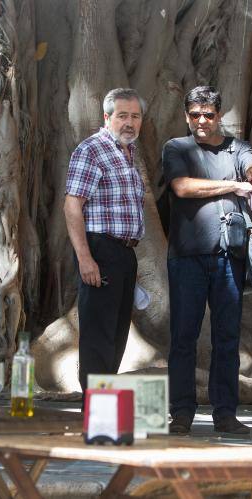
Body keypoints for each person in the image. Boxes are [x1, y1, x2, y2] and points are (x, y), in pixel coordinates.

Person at [162, 86, 252, 435]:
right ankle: (181, 412)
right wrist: (232, 187)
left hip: (229, 258)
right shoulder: (176, 148)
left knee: (227, 338)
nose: (202, 121)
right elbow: (181, 187)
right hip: (187, 257)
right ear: (186, 116)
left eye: (208, 114)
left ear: (219, 115)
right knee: (183, 338)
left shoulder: (236, 147)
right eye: (195, 115)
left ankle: (225, 413)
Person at [64, 88, 146, 393]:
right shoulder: (92, 149)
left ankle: (107, 409)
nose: (129, 122)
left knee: (117, 334)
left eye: (135, 116)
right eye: (122, 115)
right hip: (99, 249)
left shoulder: (129, 153)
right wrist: (85, 259)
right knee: (98, 336)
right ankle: (94, 410)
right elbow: (72, 205)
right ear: (106, 117)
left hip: (124, 254)